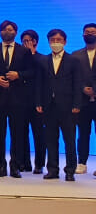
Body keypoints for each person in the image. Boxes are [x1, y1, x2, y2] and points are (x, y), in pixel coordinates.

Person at [0, 20, 34, 178]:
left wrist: (19, 75)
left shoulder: (24, 51)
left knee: (18, 134)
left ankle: (15, 166)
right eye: (4, 29)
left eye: (11, 29)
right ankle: (0, 165)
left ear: (16, 32)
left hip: (18, 100)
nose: (7, 32)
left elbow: (31, 71)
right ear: (0, 32)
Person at [36, 29, 81, 181]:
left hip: (68, 106)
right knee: (50, 139)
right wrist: (38, 102)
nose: (55, 43)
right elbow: (39, 84)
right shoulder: (43, 60)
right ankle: (52, 170)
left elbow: (77, 83)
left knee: (69, 140)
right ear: (49, 42)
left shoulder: (73, 60)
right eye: (53, 40)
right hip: (49, 106)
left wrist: (77, 104)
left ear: (65, 42)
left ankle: (70, 170)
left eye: (59, 40)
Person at [21, 29, 46, 174]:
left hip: (37, 102)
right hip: (21, 102)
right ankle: (25, 163)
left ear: (35, 41)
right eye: (23, 41)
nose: (25, 44)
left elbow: (39, 76)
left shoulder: (42, 58)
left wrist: (31, 54)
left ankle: (39, 164)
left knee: (39, 134)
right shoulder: (20, 59)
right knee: (22, 134)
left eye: (28, 41)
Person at [72, 23, 96, 175]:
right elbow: (73, 77)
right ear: (82, 35)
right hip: (82, 101)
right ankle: (82, 162)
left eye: (93, 32)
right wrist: (83, 89)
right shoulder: (76, 55)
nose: (89, 34)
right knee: (83, 133)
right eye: (87, 32)